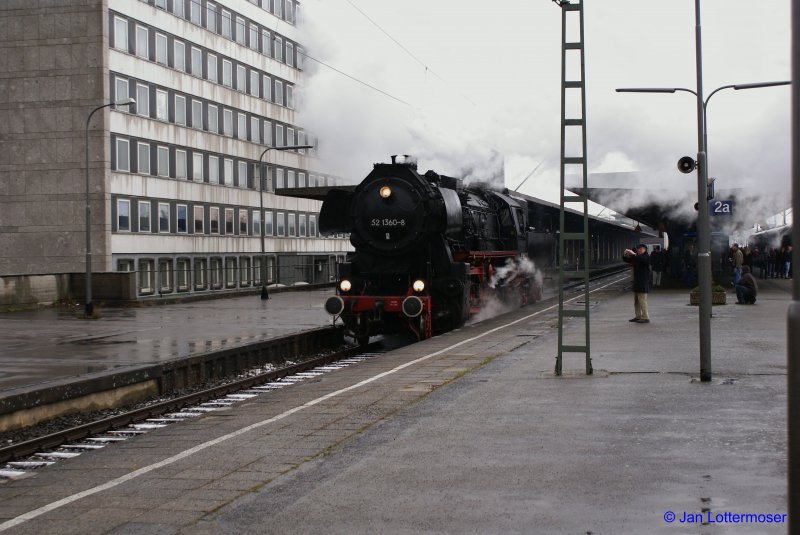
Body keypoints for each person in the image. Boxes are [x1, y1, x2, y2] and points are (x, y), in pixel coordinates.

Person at [623, 244, 651, 323]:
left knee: (642, 300)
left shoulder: (646, 256)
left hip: (643, 282)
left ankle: (645, 317)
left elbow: (643, 260)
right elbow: (628, 260)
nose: (639, 250)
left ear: (645, 249)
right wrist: (625, 255)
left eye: (641, 249)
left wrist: (634, 254)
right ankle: (638, 316)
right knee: (636, 301)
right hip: (637, 282)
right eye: (638, 249)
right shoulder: (638, 257)